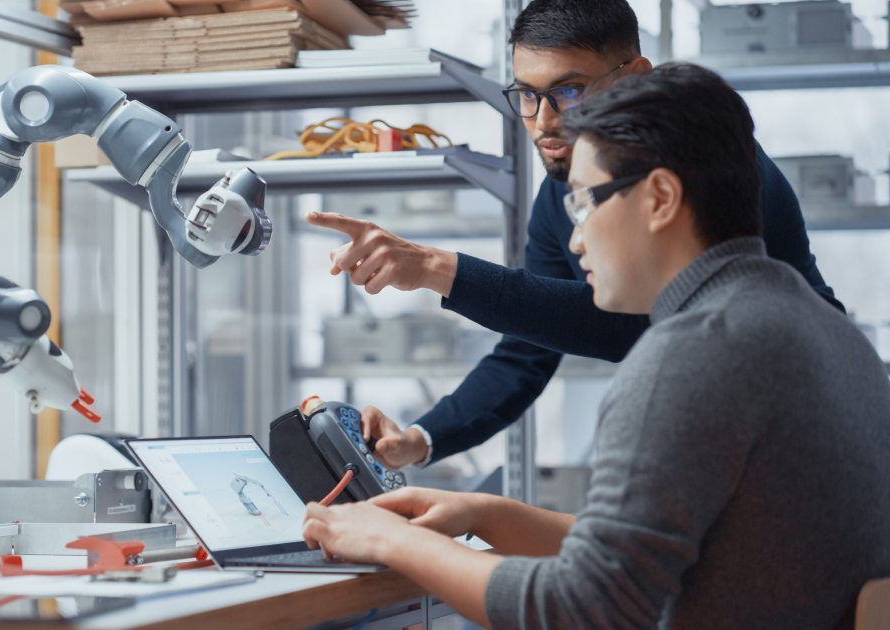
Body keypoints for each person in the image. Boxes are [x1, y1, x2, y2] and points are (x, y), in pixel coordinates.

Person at [301, 63, 890, 630]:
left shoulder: (685, 359)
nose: (576, 240)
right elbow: (650, 554)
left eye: (584, 203)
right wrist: (489, 514)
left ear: (660, 198)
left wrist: (392, 542)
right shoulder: (830, 334)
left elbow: (583, 609)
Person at [305, 0, 843, 469]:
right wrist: (420, 439)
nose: (543, 121)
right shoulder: (557, 195)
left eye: (568, 91)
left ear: (634, 77)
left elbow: (643, 322)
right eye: (526, 94)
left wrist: (437, 269)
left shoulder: (708, 163)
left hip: (808, 417)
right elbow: (526, 350)